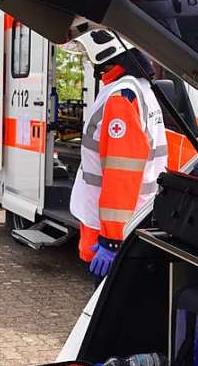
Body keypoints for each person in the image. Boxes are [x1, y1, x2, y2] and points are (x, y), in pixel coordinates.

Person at [69, 43, 165, 277]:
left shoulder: (121, 97)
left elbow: (121, 171)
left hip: (115, 233)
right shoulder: (140, 88)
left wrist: (111, 240)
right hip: (136, 221)